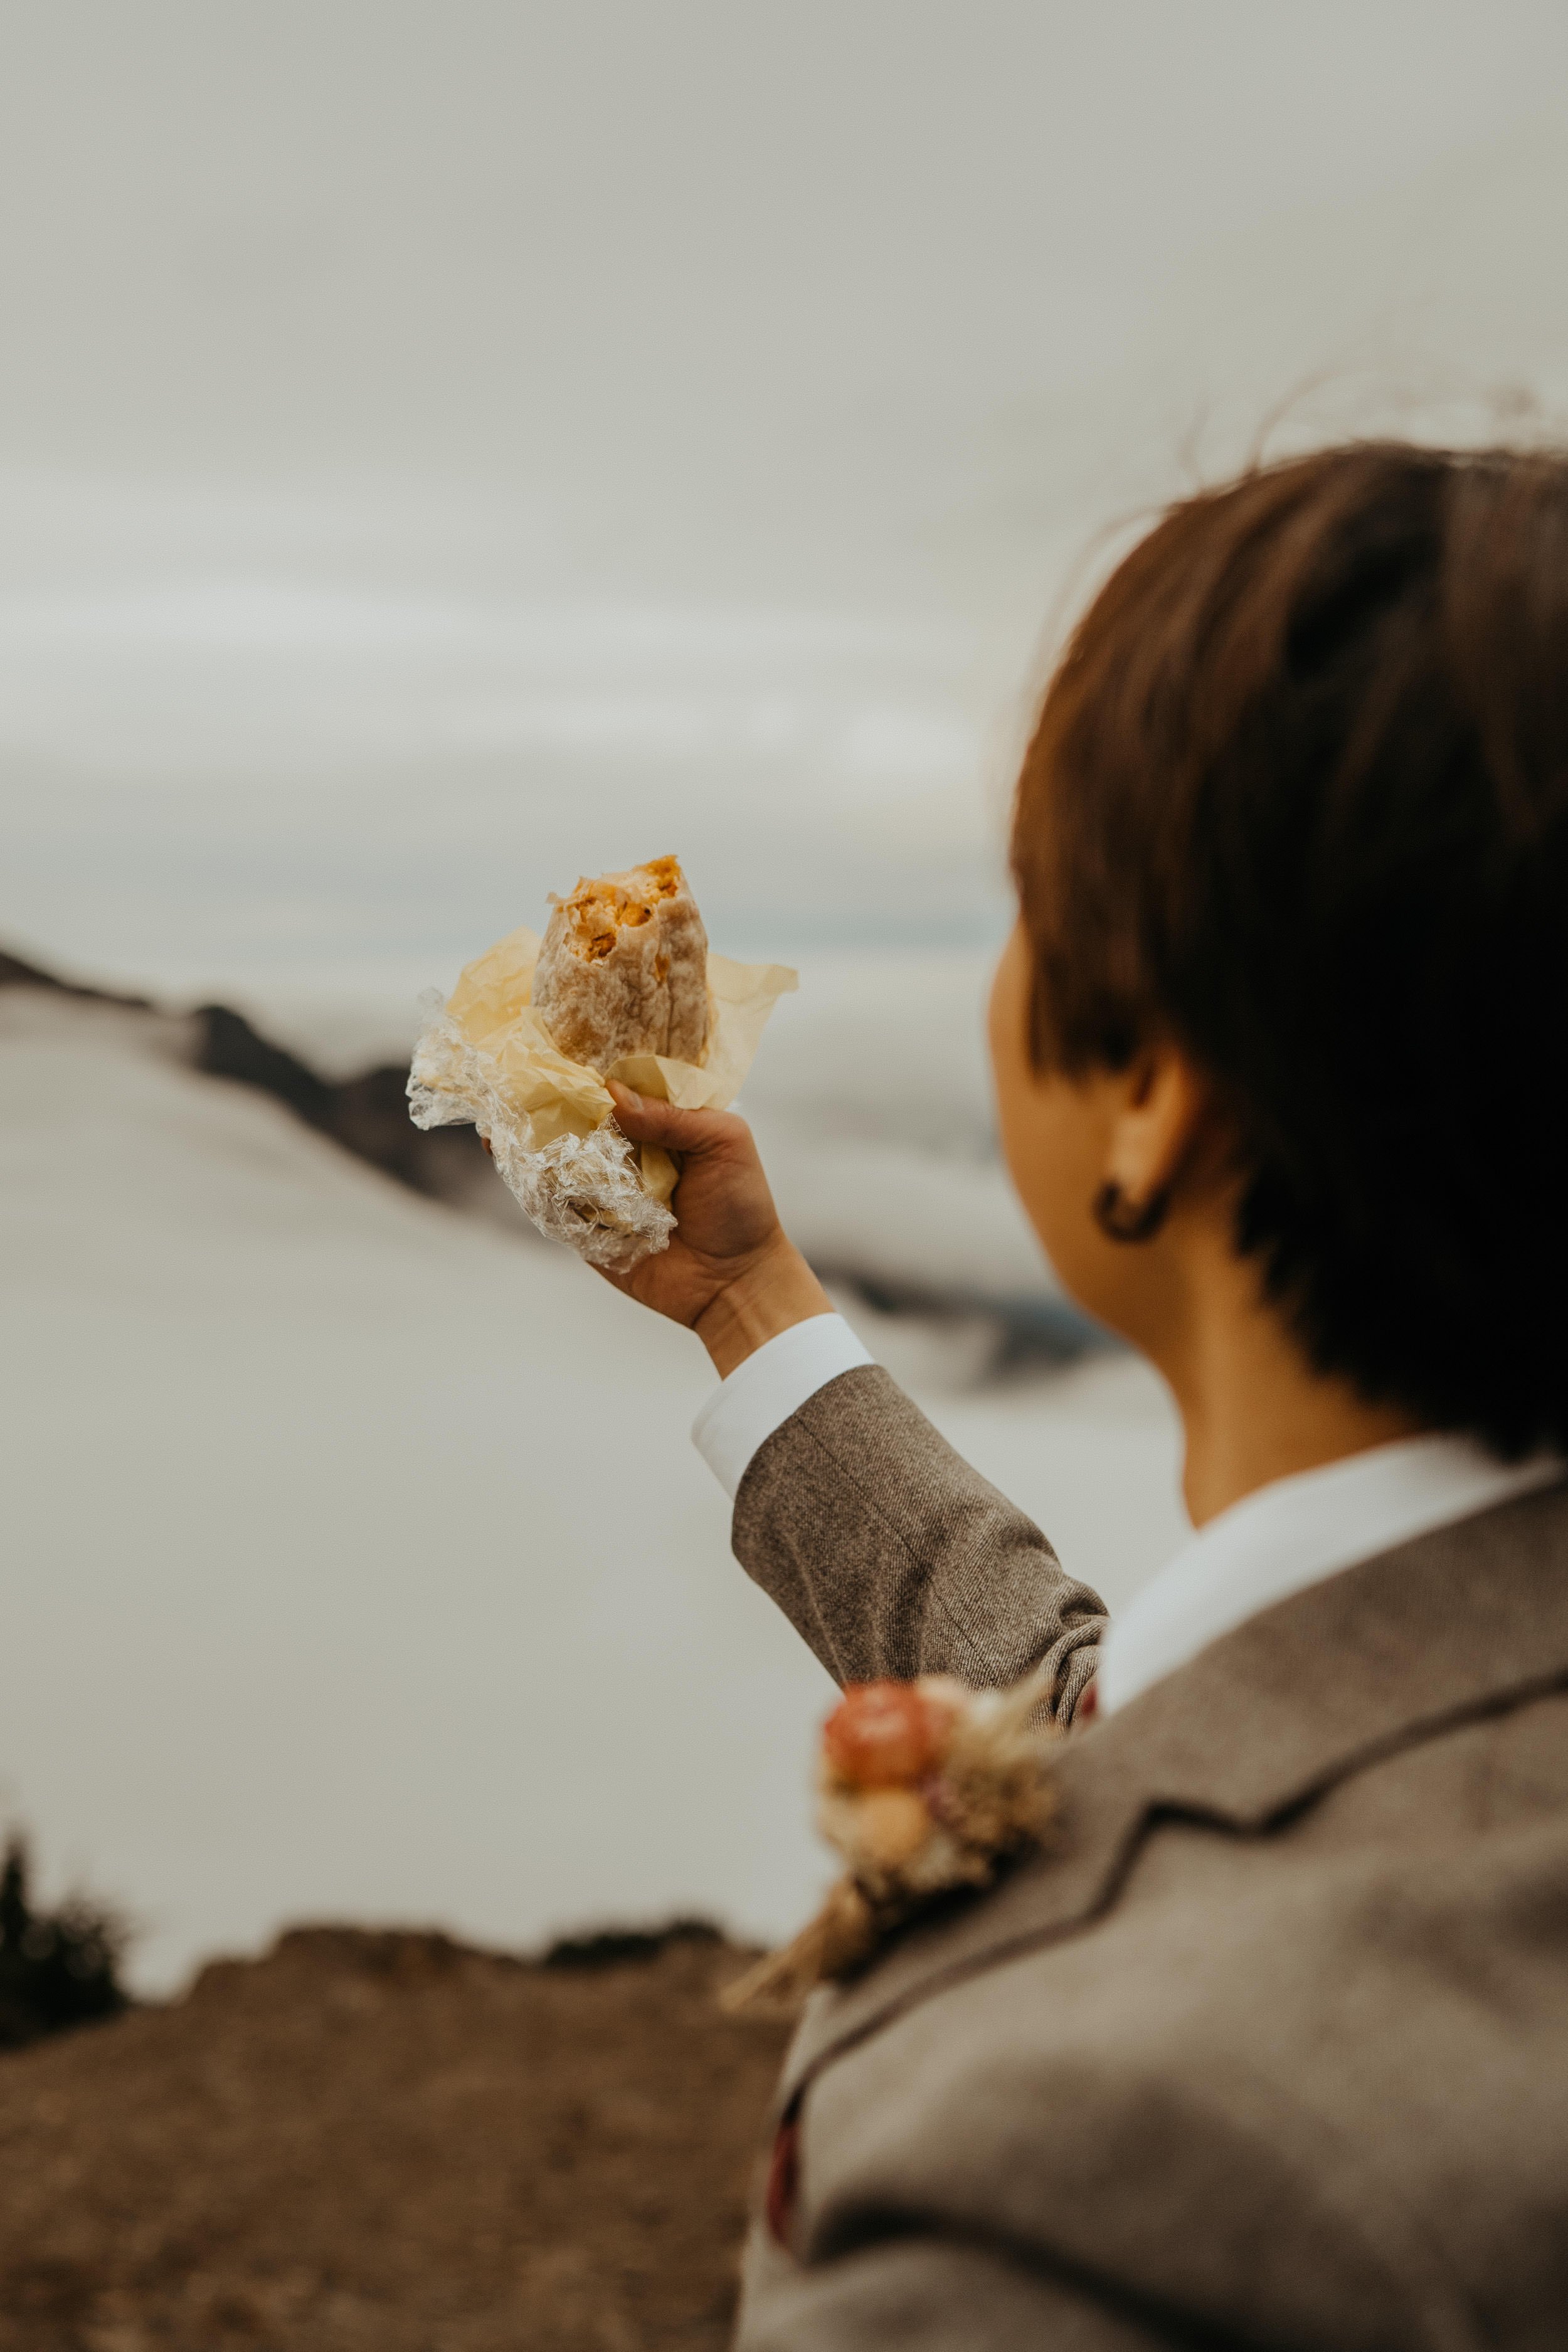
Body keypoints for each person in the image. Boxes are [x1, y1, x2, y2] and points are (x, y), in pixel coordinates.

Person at [606, 442, 1568, 2347]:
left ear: (1155, 1095)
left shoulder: (1091, 2177)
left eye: (1034, 906)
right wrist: (750, 1307)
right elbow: (1159, 1724)